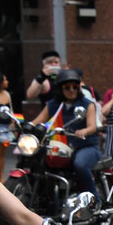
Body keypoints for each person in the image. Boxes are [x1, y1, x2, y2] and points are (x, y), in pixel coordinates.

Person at [32, 69, 101, 201]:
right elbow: (38, 121)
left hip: (85, 146)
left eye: (75, 86)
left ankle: (95, 201)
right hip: (60, 145)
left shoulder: (87, 104)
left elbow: (92, 126)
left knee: (80, 164)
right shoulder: (53, 105)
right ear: (60, 88)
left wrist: (84, 131)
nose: (72, 90)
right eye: (67, 87)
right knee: (38, 160)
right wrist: (26, 126)